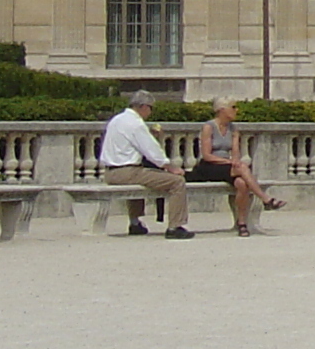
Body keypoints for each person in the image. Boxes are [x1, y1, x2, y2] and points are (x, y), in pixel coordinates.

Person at [100, 89, 194, 238]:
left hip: (110, 172)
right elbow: (151, 150)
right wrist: (169, 167)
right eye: (151, 108)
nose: (150, 112)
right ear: (143, 106)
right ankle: (175, 226)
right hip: (127, 172)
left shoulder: (116, 120)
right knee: (177, 182)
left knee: (140, 175)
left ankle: (135, 222)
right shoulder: (136, 123)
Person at [189, 98, 284, 233]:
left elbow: (235, 152)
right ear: (222, 110)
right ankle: (265, 199)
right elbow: (206, 155)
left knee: (241, 183)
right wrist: (230, 162)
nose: (236, 110)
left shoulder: (233, 129)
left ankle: (241, 223)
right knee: (242, 168)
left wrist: (235, 160)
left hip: (227, 168)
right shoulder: (209, 127)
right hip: (209, 166)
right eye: (233, 107)